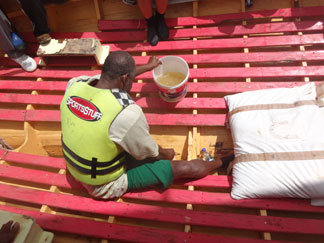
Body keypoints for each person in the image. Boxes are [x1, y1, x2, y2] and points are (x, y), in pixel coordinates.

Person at [60, 50, 233, 199]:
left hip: (76, 166)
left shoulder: (76, 84)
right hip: (102, 184)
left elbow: (112, 77)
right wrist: (167, 154)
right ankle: (223, 161)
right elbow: (151, 153)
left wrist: (148, 67)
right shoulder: (126, 113)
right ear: (125, 78)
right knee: (184, 167)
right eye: (131, 78)